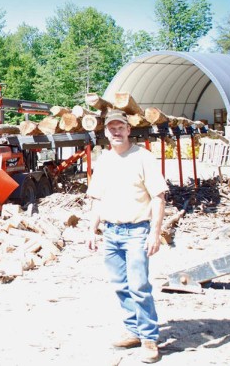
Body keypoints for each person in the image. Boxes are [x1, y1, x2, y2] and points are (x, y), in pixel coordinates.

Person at [87, 109, 168, 364]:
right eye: (112, 128)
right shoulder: (104, 161)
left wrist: (155, 232)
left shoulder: (143, 158)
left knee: (139, 286)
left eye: (120, 127)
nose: (116, 132)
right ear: (106, 132)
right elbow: (97, 199)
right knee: (121, 286)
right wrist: (92, 229)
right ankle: (133, 330)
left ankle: (149, 339)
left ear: (128, 130)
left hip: (137, 232)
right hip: (111, 233)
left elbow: (158, 197)